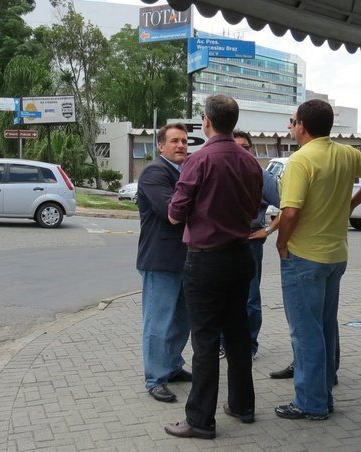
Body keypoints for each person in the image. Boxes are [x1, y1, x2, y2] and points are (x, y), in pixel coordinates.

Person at [273, 99, 361, 421]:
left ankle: (311, 403)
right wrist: (352, 203)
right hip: (336, 256)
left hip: (304, 258)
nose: (289, 126)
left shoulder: (300, 160)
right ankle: (324, 385)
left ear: (303, 126)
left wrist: (282, 244)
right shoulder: (346, 153)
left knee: (305, 332)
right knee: (324, 325)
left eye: (292, 121)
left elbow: (291, 211)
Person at [165, 95, 263, 440]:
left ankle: (200, 420)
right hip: (241, 255)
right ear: (232, 122)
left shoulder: (199, 160)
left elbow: (176, 213)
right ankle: (242, 405)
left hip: (206, 259)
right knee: (237, 334)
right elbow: (254, 207)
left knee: (205, 340)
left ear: (207, 121)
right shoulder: (251, 162)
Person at [136, 123, 193, 404]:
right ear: (161, 146)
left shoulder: (182, 171)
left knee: (183, 321)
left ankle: (172, 366)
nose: (181, 145)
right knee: (158, 323)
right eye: (174, 141)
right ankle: (155, 379)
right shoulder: (154, 173)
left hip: (185, 259)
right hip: (159, 260)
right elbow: (174, 212)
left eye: (184, 141)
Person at [219, 131, 281, 361]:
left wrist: (268, 229)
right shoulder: (219, 172)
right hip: (221, 243)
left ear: (252, 150)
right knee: (222, 296)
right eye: (236, 146)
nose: (241, 150)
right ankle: (224, 343)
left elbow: (290, 206)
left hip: (249, 243)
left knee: (250, 299)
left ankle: (249, 344)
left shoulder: (262, 177)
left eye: (246, 146)